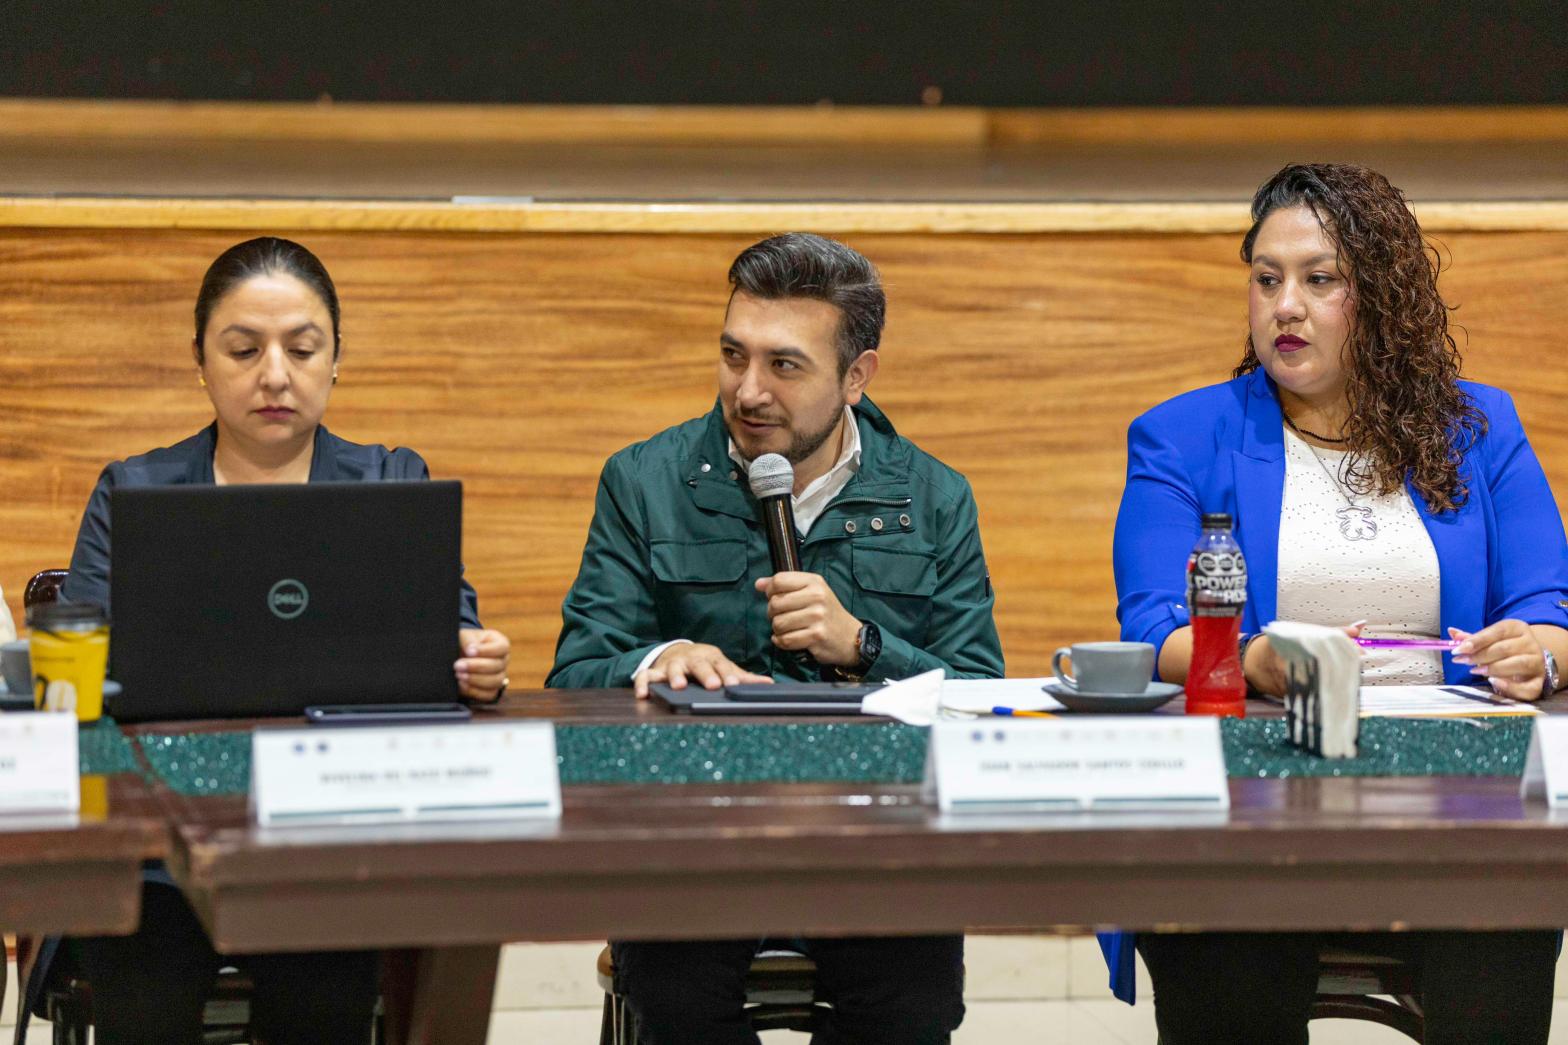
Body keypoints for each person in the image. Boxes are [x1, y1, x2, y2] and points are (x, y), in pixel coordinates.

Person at [1103, 163, 1568, 1044]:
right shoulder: (1184, 435)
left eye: (1320, 280)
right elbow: (1155, 626)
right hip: (1254, 795)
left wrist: (1538, 652)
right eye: (1266, 279)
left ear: (1381, 298)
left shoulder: (1479, 428)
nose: (1286, 306)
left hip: (1454, 799)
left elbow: (1552, 607)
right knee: (1222, 938)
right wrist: (1253, 661)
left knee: (1502, 924)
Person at [21, 237, 511, 1045]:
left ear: (336, 358)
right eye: (244, 349)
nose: (274, 375)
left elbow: (450, 637)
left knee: (324, 1002)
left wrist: (475, 659)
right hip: (160, 850)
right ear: (201, 360)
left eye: (302, 348)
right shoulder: (134, 491)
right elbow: (76, 682)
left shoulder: (390, 482)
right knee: (143, 999)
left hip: (327, 843)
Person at [548, 232, 1003, 1044]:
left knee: (914, 1004)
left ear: (856, 376)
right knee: (676, 1000)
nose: (748, 390)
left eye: (784, 365)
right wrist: (657, 658)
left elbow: (980, 694)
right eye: (734, 355)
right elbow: (575, 672)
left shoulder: (934, 499)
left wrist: (865, 645)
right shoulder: (644, 481)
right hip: (694, 833)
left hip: (876, 837)